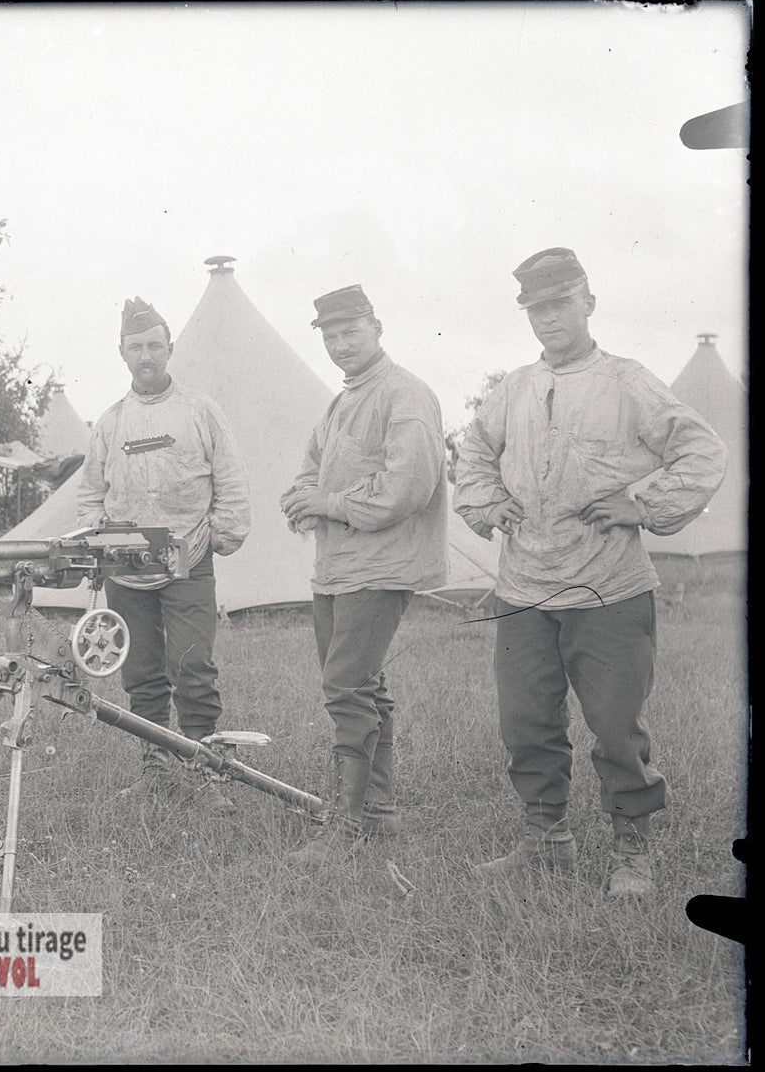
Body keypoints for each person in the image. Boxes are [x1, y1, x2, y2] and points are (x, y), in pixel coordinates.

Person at [454, 247, 727, 896]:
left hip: (608, 589)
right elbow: (471, 454)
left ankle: (630, 849)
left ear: (587, 302)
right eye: (536, 308)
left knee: (613, 726)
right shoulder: (512, 390)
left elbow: (702, 449)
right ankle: (544, 839)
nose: (548, 318)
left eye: (559, 303)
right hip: (522, 590)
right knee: (525, 722)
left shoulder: (627, 381)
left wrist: (642, 504)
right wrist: (486, 502)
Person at [280, 285, 450, 858]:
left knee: (345, 686)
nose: (339, 345)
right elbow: (306, 474)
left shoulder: (406, 395)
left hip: (381, 569)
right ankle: (378, 810)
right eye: (329, 336)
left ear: (377, 326)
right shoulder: (341, 401)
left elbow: (404, 489)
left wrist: (323, 503)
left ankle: (345, 823)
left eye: (350, 332)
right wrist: (304, 498)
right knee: (365, 686)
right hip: (336, 568)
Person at [76, 297, 251, 811]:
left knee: (193, 665)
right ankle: (156, 771)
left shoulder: (201, 411)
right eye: (136, 347)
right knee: (142, 674)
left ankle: (206, 772)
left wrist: (221, 533)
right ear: (122, 354)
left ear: (170, 349)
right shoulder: (109, 424)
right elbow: (88, 496)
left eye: (155, 345)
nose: (146, 355)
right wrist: (98, 539)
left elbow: (231, 479)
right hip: (126, 569)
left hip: (187, 559)